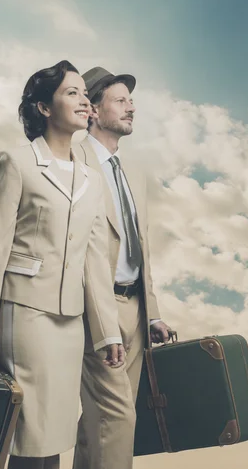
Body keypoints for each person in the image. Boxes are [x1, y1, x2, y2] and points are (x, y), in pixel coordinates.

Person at [0, 60, 125, 469]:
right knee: (27, 432)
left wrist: (107, 333)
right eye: (71, 92)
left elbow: (94, 259)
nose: (83, 100)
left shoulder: (91, 177)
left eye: (83, 94)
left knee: (54, 431)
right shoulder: (16, 162)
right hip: (25, 314)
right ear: (43, 108)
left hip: (70, 321)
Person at [71, 66, 172, 469]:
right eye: (120, 100)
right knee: (117, 418)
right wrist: (104, 323)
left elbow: (139, 246)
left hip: (134, 309)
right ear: (93, 110)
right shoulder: (73, 159)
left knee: (99, 425)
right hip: (97, 307)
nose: (132, 107)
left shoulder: (132, 171)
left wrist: (153, 313)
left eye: (131, 101)